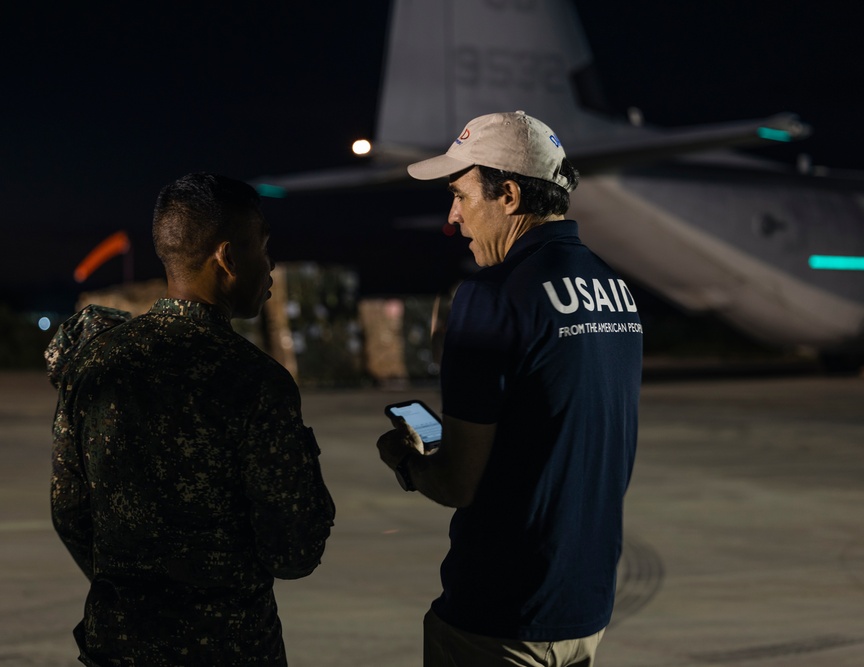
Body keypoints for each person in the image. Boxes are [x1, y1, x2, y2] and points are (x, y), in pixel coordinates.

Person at [376, 111, 642, 666]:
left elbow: (456, 483)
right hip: (585, 604)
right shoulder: (614, 290)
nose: (453, 216)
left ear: (510, 195)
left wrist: (407, 462)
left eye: (460, 195)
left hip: (501, 612)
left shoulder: (489, 298)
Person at [47, 172, 335, 666]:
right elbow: (295, 550)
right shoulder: (254, 381)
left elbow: (70, 511)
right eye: (262, 250)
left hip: (118, 646)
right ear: (226, 257)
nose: (269, 268)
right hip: (229, 649)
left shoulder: (96, 364)